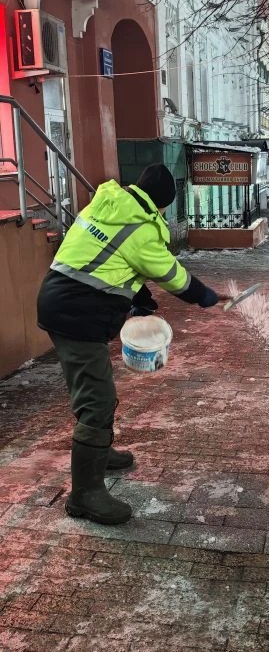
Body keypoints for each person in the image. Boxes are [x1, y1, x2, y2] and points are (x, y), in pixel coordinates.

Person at [37, 164, 225, 526]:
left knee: (94, 390)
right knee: (98, 399)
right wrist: (205, 296)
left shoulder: (109, 204)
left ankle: (100, 452)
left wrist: (135, 293)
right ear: (163, 203)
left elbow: (104, 253)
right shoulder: (142, 226)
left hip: (63, 301)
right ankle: (85, 494)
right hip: (76, 313)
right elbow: (174, 277)